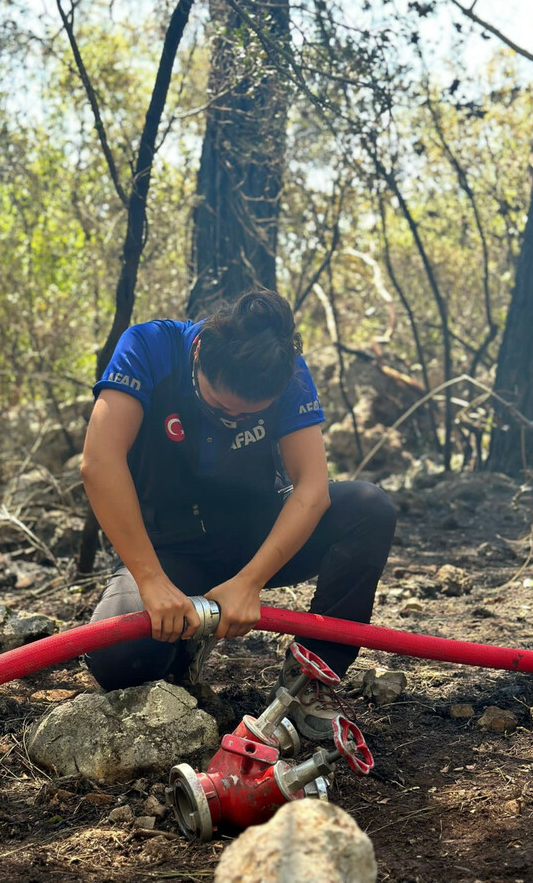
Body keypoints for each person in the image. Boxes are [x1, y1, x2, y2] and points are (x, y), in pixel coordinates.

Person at [81, 288, 396, 740]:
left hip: (254, 535)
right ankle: (183, 651)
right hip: (167, 548)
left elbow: (311, 488)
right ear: (201, 355)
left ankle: (311, 678)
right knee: (120, 661)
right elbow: (99, 462)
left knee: (369, 508)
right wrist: (150, 580)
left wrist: (249, 582)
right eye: (220, 405)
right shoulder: (149, 347)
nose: (231, 418)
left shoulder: (288, 372)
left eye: (248, 414)